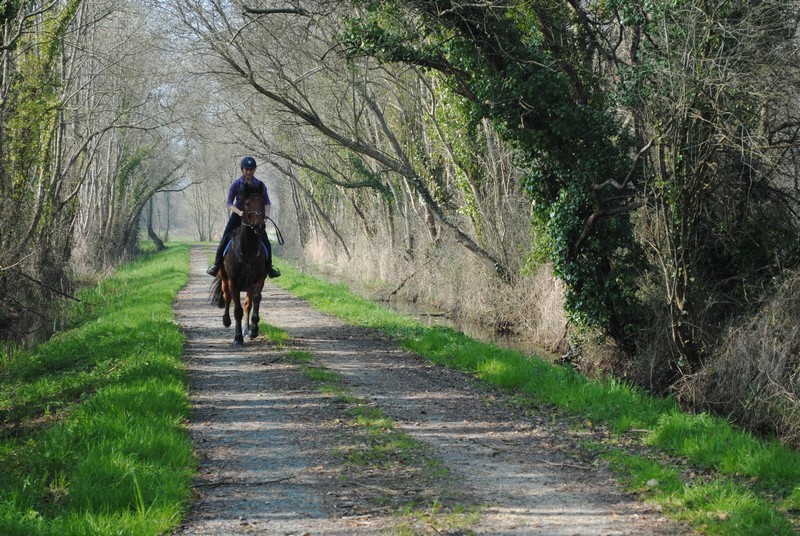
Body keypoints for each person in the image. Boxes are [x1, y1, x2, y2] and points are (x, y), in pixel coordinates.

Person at [206, 156, 281, 278]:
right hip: (238, 215)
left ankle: (269, 267)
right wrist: (239, 212)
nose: (249, 172)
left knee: (265, 240)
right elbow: (229, 203)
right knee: (225, 238)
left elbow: (267, 202)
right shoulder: (236, 184)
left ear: (254, 170)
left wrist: (266, 214)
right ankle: (216, 264)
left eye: (251, 169)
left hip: (255, 217)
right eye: (246, 169)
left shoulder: (260, 185)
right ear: (242, 169)